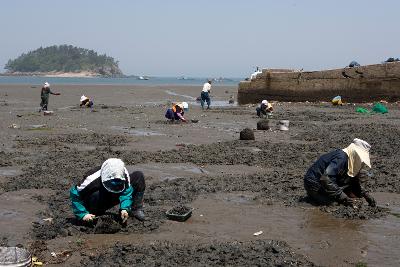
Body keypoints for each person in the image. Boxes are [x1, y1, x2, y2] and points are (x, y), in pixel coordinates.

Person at [304, 138, 376, 207]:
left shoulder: (350, 161)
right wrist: (344, 198)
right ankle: (315, 197)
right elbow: (326, 178)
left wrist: (365, 194)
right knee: (336, 204)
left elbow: (353, 180)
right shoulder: (341, 158)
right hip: (315, 184)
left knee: (353, 194)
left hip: (329, 182)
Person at [69, 158, 146, 223]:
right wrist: (83, 214)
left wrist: (124, 208)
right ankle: (95, 215)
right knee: (95, 195)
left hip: (113, 196)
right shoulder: (92, 179)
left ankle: (135, 209)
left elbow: (126, 192)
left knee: (138, 176)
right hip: (97, 200)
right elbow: (75, 193)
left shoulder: (124, 175)